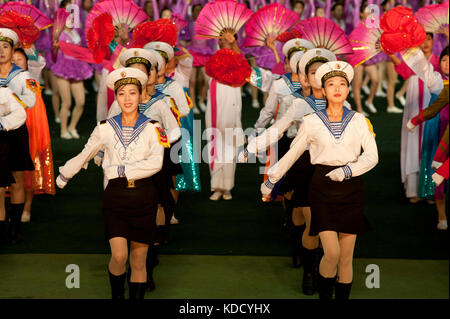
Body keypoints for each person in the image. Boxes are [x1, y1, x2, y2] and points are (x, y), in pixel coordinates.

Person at [262, 61, 378, 299]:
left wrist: (347, 171)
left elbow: (372, 157)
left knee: (346, 258)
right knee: (332, 254)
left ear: (348, 90)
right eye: (331, 84)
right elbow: (293, 153)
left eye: (342, 84)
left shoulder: (358, 120)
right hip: (322, 189)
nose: (337, 88)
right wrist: (271, 180)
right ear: (323, 90)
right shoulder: (312, 121)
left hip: (352, 189)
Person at [56, 67, 165, 300]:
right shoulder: (105, 128)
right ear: (116, 97)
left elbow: (156, 163)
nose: (127, 99)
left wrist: (120, 170)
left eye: (132, 93)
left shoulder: (153, 128)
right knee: (119, 256)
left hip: (144, 196)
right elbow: (85, 153)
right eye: (122, 93)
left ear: (141, 94)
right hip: (115, 197)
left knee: (138, 260)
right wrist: (66, 173)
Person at [0, 28, 36, 244]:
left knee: (17, 181)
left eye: (5, 47)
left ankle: (15, 227)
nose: (1, 51)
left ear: (13, 49)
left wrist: (11, 100)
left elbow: (30, 100)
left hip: (16, 129)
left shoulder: (22, 75)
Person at [12, 48, 55, 223]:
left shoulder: (31, 82)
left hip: (29, 133)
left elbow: (38, 116)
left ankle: (27, 208)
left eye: (19, 59)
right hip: (8, 134)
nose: (15, 62)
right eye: (12, 59)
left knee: (28, 174)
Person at [51, 0, 93, 139]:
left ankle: (72, 126)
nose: (71, 16)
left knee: (81, 101)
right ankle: (63, 130)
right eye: (67, 14)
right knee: (67, 102)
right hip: (64, 68)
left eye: (72, 14)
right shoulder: (59, 33)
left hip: (77, 68)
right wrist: (56, 47)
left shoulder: (76, 32)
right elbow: (54, 52)